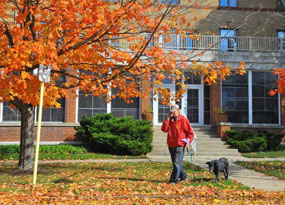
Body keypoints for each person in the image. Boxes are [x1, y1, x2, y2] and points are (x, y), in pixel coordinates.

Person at [161, 104, 194, 184]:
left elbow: (190, 133)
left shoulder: (184, 120)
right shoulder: (170, 120)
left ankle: (173, 181)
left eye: (174, 111)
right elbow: (164, 129)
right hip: (171, 144)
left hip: (180, 144)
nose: (173, 113)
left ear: (178, 111)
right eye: (171, 112)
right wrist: (167, 119)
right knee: (176, 163)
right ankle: (183, 176)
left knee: (176, 163)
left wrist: (188, 141)